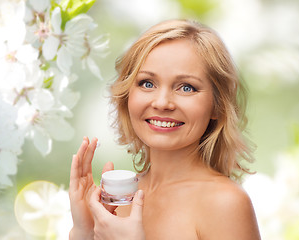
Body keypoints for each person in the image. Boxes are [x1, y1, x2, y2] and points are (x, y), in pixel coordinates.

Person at [69, 19, 261, 240]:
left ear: (217, 106)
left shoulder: (225, 202)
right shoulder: (116, 199)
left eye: (186, 87)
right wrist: (83, 231)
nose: (162, 103)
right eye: (147, 83)